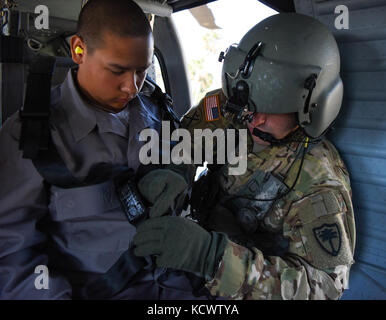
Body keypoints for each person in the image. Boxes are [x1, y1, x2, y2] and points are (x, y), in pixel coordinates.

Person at [133, 13, 356, 300]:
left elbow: (323, 288)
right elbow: (188, 140)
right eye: (248, 106)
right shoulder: (235, 106)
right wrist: (175, 170)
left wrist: (212, 259)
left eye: (270, 108)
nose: (253, 119)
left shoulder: (317, 185)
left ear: (313, 107)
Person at [0, 0, 197, 300]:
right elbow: (13, 259)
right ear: (79, 50)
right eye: (117, 70)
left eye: (141, 71)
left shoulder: (160, 115)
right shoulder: (29, 137)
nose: (131, 87)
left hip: (180, 287)